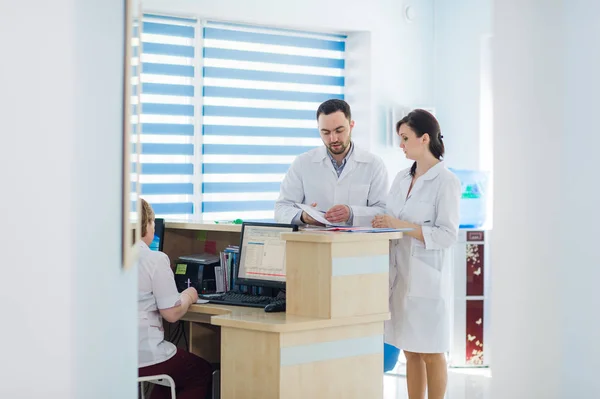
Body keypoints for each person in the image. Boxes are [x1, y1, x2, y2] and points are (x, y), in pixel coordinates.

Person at [372, 109, 460, 399]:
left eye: (405, 138)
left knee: (432, 352)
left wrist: (401, 226)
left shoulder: (446, 182)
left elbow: (447, 234)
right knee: (410, 350)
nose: (401, 145)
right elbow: (389, 215)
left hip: (427, 280)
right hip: (401, 277)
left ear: (424, 139)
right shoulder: (400, 178)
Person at [137, 198, 213, 399]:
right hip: (142, 357)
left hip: (107, 357)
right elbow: (172, 314)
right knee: (200, 372)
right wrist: (189, 296)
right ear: (146, 224)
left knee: (174, 373)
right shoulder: (153, 259)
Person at [274, 99, 388, 226]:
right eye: (326, 132)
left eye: (339, 131)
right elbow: (281, 209)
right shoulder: (303, 162)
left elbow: (383, 211)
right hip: (316, 243)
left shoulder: (373, 164)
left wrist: (352, 213)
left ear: (351, 126)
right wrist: (303, 216)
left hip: (357, 243)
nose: (333, 138)